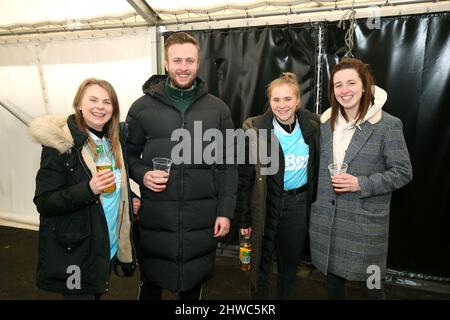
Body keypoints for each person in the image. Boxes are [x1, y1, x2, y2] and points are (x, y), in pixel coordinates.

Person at [125, 32, 238, 300]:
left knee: (192, 288)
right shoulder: (141, 108)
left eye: (190, 60)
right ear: (166, 64)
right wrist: (143, 175)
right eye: (177, 60)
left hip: (201, 219)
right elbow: (126, 155)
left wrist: (225, 211)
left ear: (198, 64)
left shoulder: (219, 109)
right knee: (150, 284)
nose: (183, 67)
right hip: (156, 218)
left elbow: (229, 165)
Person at [309, 58, 413, 299]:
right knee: (333, 287)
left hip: (365, 225)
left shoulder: (387, 125)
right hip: (329, 224)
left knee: (373, 291)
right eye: (338, 85)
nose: (344, 91)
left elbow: (403, 172)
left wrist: (360, 183)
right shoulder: (325, 124)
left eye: (351, 83)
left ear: (365, 86)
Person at [29, 78, 139, 299]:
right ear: (79, 104)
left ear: (113, 109)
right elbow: (45, 201)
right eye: (93, 100)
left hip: (107, 244)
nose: (100, 107)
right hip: (77, 250)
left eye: (107, 102)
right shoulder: (61, 144)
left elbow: (115, 181)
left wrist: (131, 196)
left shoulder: (113, 142)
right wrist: (88, 189)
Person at [236, 72, 320, 299]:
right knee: (259, 269)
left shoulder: (313, 126)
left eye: (287, 99)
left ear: (298, 101)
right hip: (265, 205)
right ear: (269, 102)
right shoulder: (254, 131)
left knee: (289, 270)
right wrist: (243, 219)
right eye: (276, 100)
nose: (282, 105)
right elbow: (244, 180)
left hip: (298, 206)